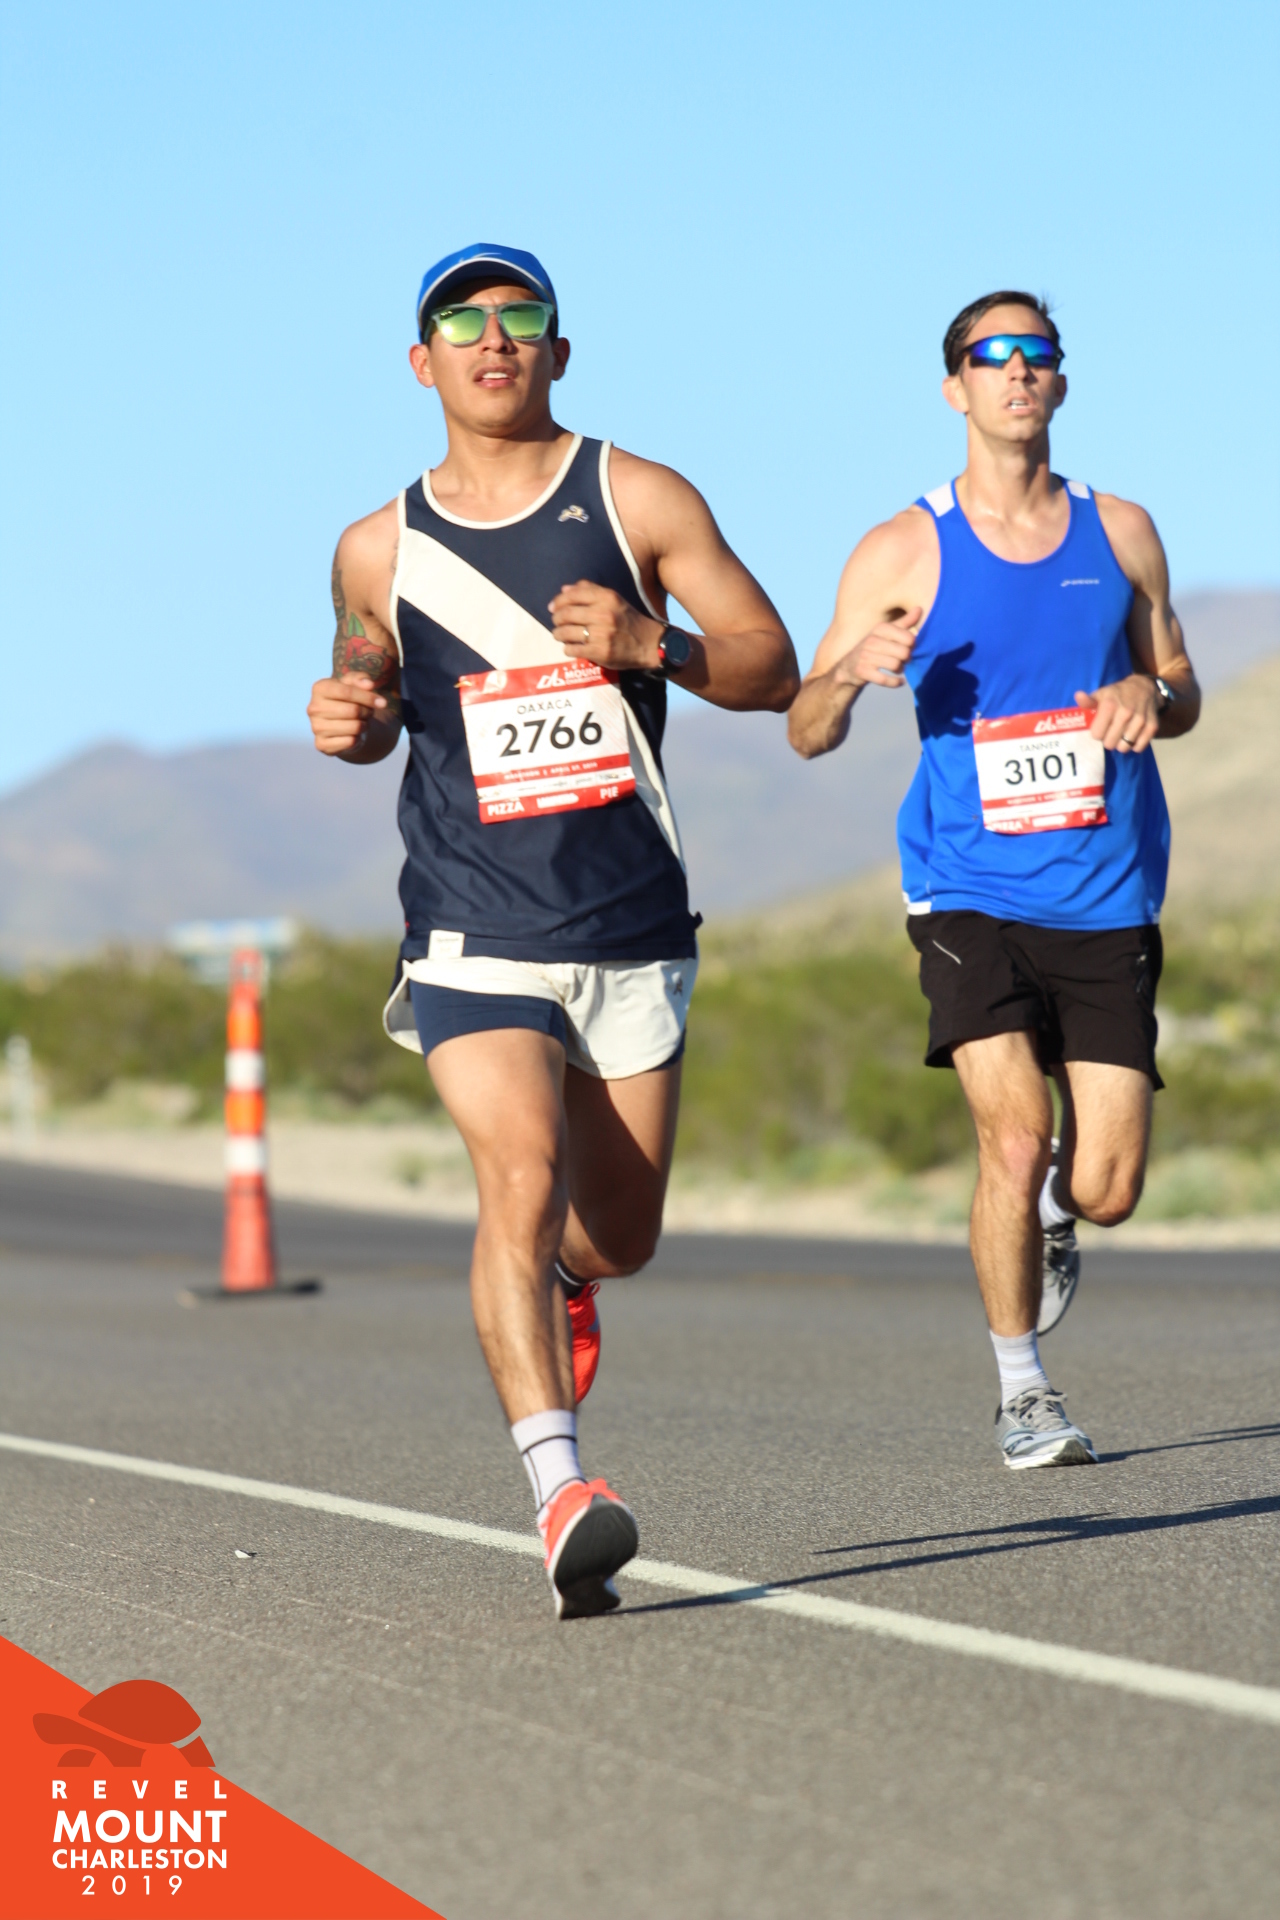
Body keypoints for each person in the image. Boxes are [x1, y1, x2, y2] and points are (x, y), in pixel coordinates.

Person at [307, 243, 798, 1610]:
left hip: (628, 922)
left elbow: (770, 665)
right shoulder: (377, 546)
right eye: (462, 320)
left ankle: (567, 1283)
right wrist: (348, 719)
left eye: (520, 314)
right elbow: (366, 685)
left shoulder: (637, 496)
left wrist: (654, 647)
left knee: (615, 1235)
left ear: (557, 351)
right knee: (517, 1177)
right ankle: (559, 1485)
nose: (494, 336)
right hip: (470, 919)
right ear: (422, 363)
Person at [787, 290, 1199, 1468]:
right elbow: (804, 728)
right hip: (966, 888)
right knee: (1012, 1141)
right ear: (953, 387)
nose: (1015, 370)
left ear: (1058, 381)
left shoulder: (1119, 532)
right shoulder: (901, 548)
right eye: (990, 354)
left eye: (1035, 353)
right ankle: (1023, 1393)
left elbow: (1178, 684)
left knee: (1105, 1186)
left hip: (1105, 890)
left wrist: (1149, 695)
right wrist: (849, 675)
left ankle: (1057, 1218)